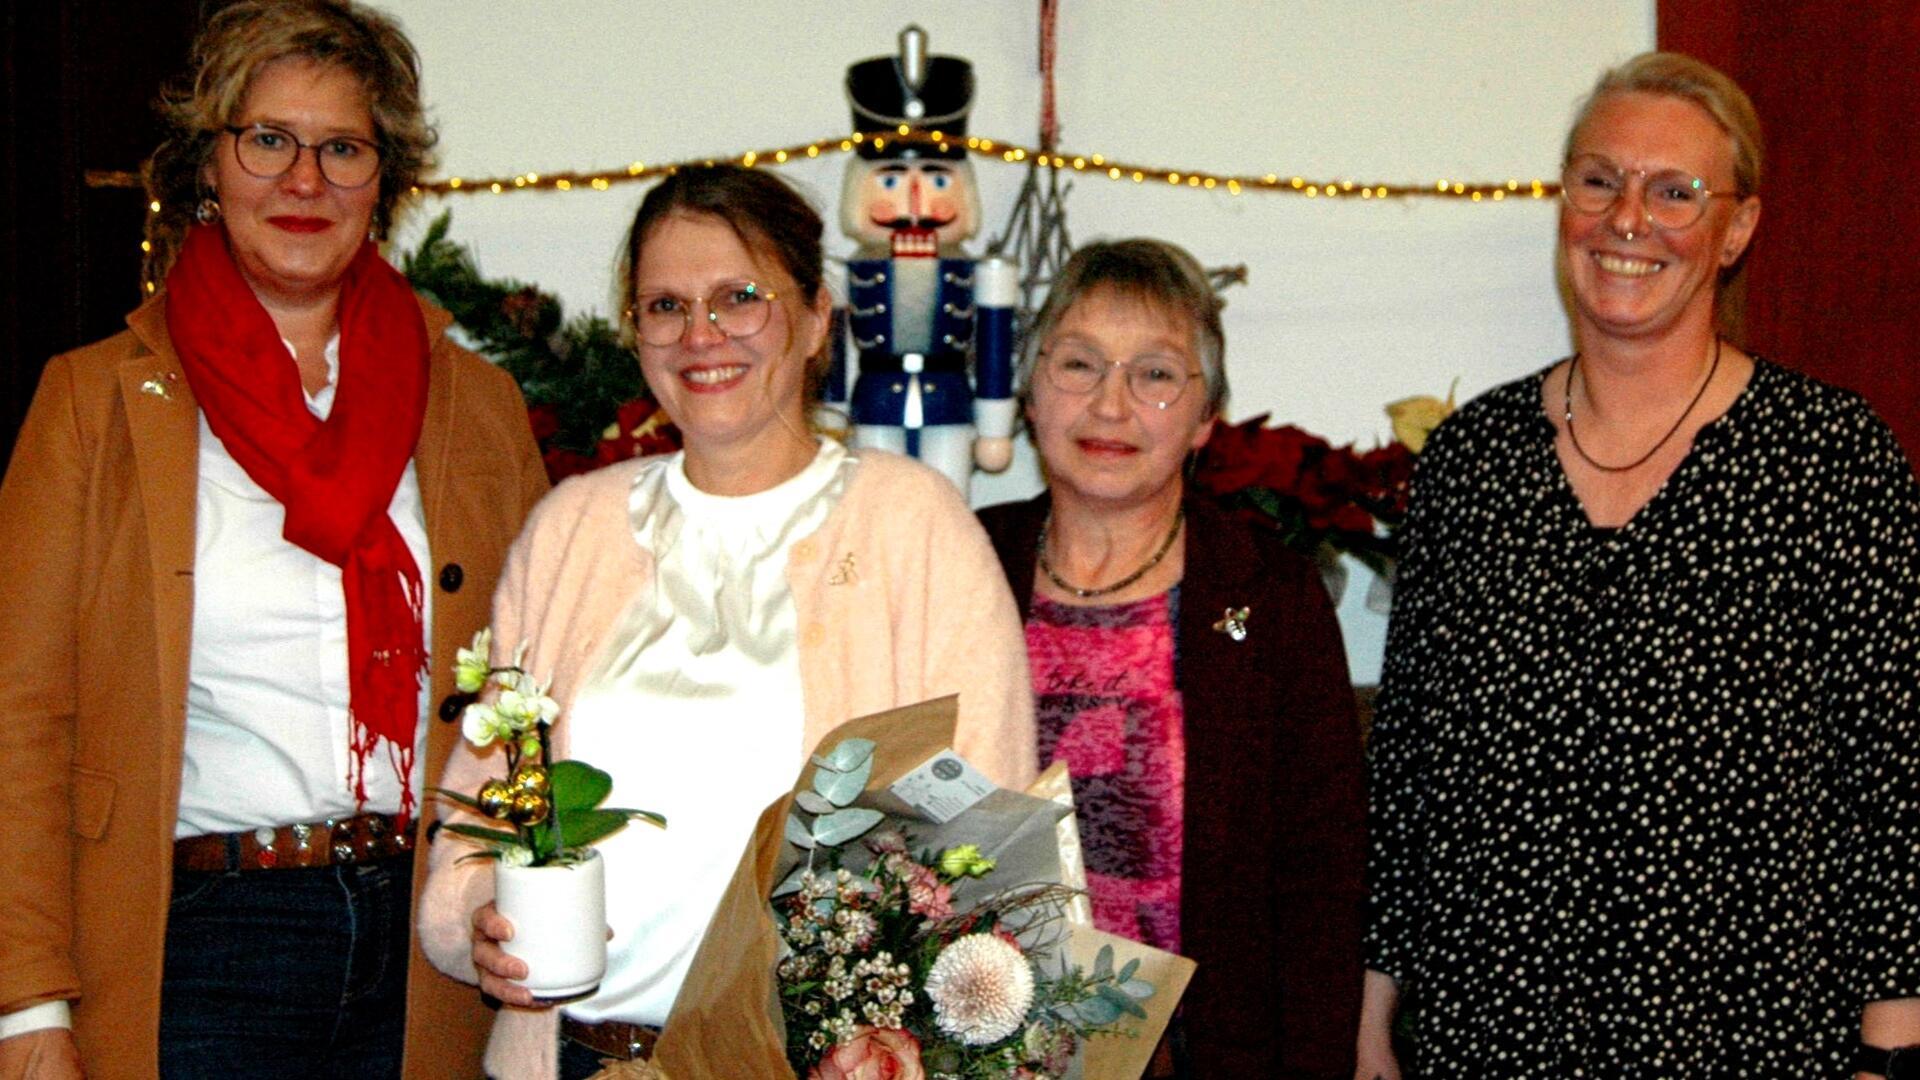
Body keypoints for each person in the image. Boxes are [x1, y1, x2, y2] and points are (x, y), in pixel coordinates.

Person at [0, 2, 548, 1078]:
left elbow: (538, 687)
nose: (304, 182)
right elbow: (20, 720)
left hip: (427, 947)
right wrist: (27, 1010)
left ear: (384, 177)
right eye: (268, 140)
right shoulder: (89, 403)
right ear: (209, 161)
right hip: (200, 941)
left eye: (342, 148)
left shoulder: (474, 402)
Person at [1358, 51, 1920, 1079]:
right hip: (1488, 1037)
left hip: (1750, 1039)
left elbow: (1889, 784)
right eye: (1599, 179)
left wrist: (1890, 1052)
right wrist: (1368, 1030)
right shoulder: (1471, 463)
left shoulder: (1832, 460)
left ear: (1736, 228)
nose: (1628, 220)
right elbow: (1407, 782)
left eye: (1675, 192)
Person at [416, 164, 1038, 1080]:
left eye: (739, 298)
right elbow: (478, 812)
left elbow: (989, 838)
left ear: (819, 315)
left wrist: (893, 1033)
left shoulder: (915, 524)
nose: (700, 335)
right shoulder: (571, 529)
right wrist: (479, 920)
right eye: (664, 305)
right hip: (577, 1060)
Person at [976, 238, 1365, 1079]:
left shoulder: (1272, 596)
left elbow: (1322, 889)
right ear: (1032, 394)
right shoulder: (967, 562)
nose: (1110, 406)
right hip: (976, 1053)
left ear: (1204, 419)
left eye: (1154, 374)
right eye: (1079, 364)